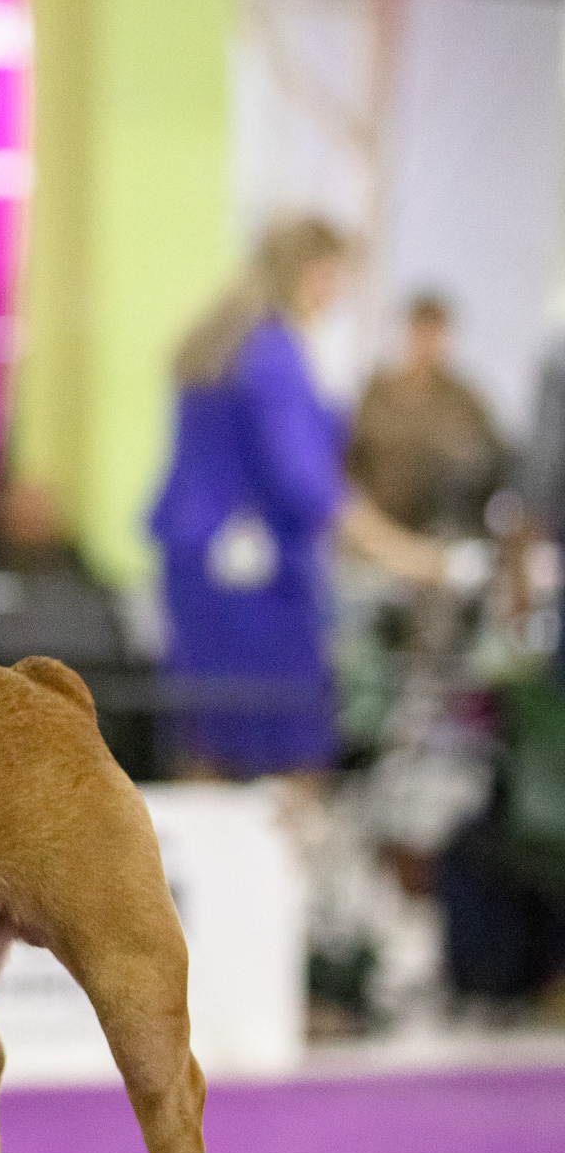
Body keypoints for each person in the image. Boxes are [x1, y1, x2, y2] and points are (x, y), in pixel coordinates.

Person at [149, 217, 442, 780]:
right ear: (311, 273)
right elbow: (309, 486)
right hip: (258, 589)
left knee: (205, 749)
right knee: (296, 759)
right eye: (335, 280)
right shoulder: (273, 353)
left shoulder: (218, 342)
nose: (336, 296)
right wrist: (413, 558)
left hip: (197, 573)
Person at [347, 293, 506, 538]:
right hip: (381, 527)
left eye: (436, 332)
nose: (428, 342)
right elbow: (352, 455)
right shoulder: (379, 391)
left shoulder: (463, 397)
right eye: (422, 331)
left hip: (441, 530)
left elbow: (496, 458)